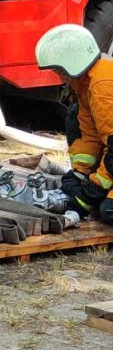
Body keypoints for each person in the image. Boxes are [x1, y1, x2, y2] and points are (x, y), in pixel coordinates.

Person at [35, 24, 113, 224]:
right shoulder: (87, 82)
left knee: (108, 211)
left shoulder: (102, 86)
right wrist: (80, 173)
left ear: (72, 63)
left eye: (58, 71)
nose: (59, 78)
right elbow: (91, 135)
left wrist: (92, 191)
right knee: (74, 114)